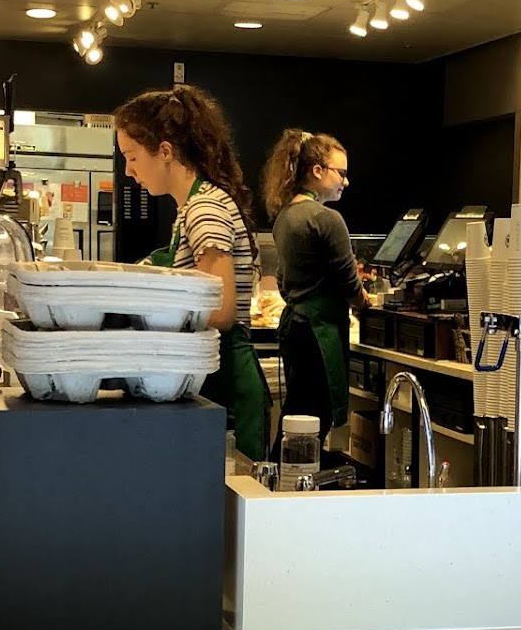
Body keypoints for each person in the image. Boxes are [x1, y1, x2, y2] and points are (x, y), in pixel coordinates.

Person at [114, 85, 269, 462]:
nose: (129, 171)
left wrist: (147, 309)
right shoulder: (193, 209)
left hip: (225, 385)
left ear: (165, 151)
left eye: (132, 157)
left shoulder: (204, 210)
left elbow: (221, 310)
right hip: (211, 379)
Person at [262, 129, 368, 441]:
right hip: (319, 332)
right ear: (318, 170)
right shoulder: (327, 219)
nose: (346, 182)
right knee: (314, 420)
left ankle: (281, 471)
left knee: (296, 415)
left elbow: (282, 280)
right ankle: (297, 472)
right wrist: (363, 301)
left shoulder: (284, 216)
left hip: (295, 328)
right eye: (341, 173)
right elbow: (349, 283)